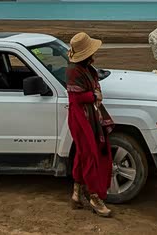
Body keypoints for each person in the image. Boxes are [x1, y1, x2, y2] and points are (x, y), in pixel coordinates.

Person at [66, 32, 114, 217]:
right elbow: (76, 98)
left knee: (83, 154)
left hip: (87, 116)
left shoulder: (85, 68)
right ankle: (94, 197)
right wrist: (94, 96)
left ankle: (76, 194)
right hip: (80, 119)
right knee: (90, 155)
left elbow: (93, 85)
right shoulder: (74, 71)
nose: (94, 54)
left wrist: (96, 93)